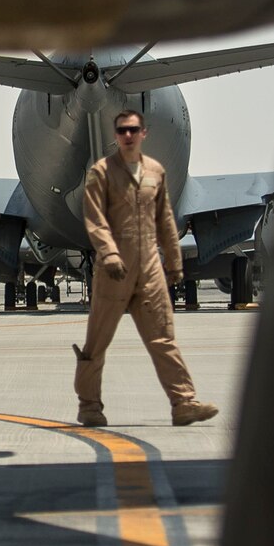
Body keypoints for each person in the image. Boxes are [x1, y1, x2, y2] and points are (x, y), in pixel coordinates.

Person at [73, 109, 220, 427]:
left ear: (143, 133)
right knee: (97, 342)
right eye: (122, 130)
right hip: (115, 267)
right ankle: (89, 407)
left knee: (163, 338)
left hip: (150, 264)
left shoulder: (155, 172)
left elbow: (165, 219)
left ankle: (184, 403)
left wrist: (175, 261)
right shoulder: (102, 172)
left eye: (133, 129)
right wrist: (109, 253)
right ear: (116, 135)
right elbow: (94, 218)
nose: (128, 135)